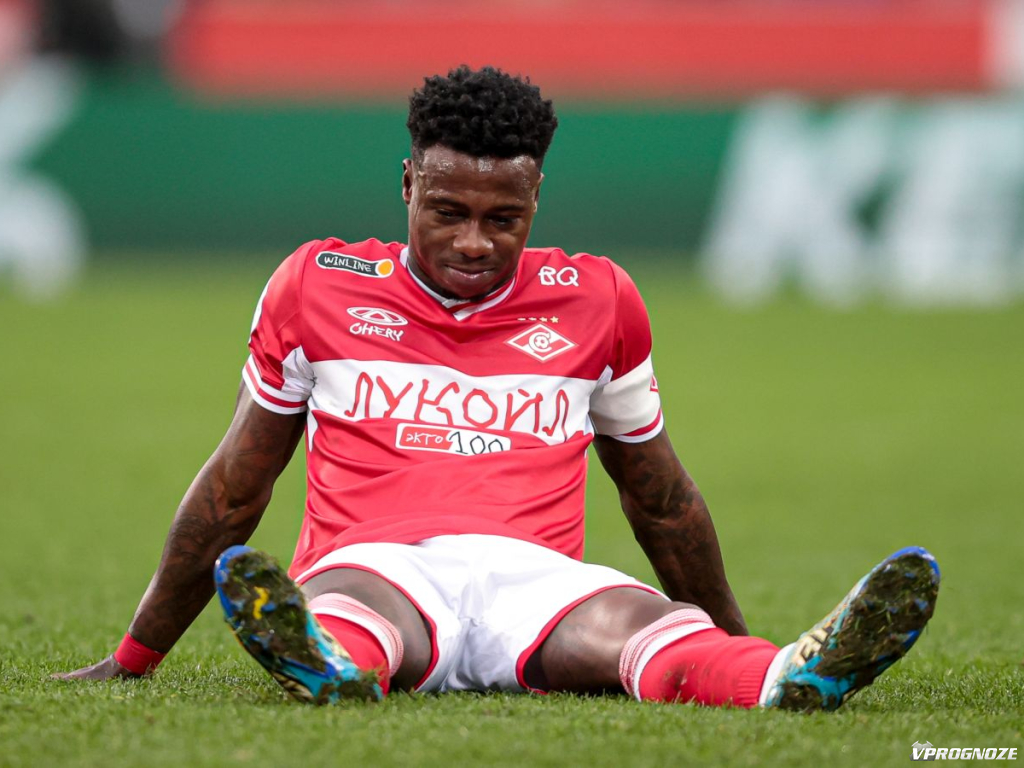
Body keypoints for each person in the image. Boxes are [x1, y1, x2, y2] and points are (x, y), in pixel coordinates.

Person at [56, 66, 940, 711]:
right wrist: (135, 656)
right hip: (377, 563)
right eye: (447, 211)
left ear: (536, 199)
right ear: (408, 184)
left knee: (647, 628)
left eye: (503, 218)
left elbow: (660, 498)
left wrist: (732, 634)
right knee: (349, 613)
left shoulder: (599, 300)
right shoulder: (314, 287)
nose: (474, 242)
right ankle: (325, 661)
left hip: (537, 581)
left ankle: (783, 675)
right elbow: (234, 487)